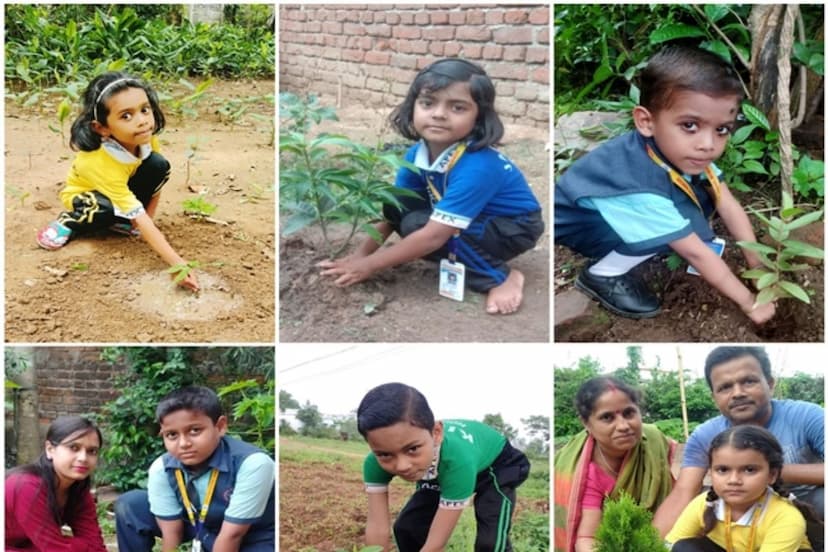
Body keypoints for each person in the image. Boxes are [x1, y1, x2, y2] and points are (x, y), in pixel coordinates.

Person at [555, 45, 774, 323]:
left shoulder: (679, 150)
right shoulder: (638, 188)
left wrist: (758, 265)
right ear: (646, 121)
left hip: (606, 210)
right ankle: (602, 273)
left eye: (722, 129)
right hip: (581, 225)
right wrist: (748, 302)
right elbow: (695, 252)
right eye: (690, 125)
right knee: (672, 232)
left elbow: (727, 202)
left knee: (684, 215)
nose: (708, 145)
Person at [318, 58, 544, 315]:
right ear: (412, 107)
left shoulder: (478, 165)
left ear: (479, 117)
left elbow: (434, 236)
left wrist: (368, 266)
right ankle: (477, 259)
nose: (438, 114)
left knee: (420, 227)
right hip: (475, 218)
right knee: (399, 204)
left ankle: (500, 276)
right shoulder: (417, 153)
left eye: (457, 108)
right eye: (428, 103)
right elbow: (394, 213)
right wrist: (361, 255)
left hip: (514, 227)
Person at [35, 71, 199, 292]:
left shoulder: (145, 139)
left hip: (121, 189)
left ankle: (121, 221)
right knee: (101, 207)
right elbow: (136, 213)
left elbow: (153, 188)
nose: (142, 121)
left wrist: (143, 224)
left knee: (158, 165)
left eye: (144, 109)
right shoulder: (98, 163)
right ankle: (68, 223)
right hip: (88, 196)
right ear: (101, 127)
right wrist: (177, 264)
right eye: (126, 116)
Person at [653, 346, 824, 537]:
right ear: (714, 397)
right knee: (702, 503)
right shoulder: (705, 434)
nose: (738, 393)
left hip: (806, 508)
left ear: (770, 383)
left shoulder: (807, 416)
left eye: (749, 381)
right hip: (740, 516)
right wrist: (650, 545)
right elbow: (683, 492)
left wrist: (769, 471)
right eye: (725, 387)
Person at [358, 382, 530, 551]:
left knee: (490, 544)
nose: (402, 466)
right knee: (408, 528)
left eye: (412, 449)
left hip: (496, 466)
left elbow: (435, 544)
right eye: (385, 455)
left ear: (436, 433)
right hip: (439, 466)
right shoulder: (375, 464)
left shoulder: (456, 462)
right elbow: (377, 526)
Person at [114, 386, 275, 551]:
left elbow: (232, 535)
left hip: (250, 536)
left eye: (195, 430)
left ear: (220, 427)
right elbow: (171, 532)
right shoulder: (161, 468)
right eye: (172, 435)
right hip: (200, 529)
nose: (183, 444)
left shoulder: (253, 463)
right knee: (131, 504)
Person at [554, 376, 676, 552]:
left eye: (629, 413)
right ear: (586, 423)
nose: (623, 426)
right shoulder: (588, 472)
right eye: (607, 418)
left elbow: (679, 495)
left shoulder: (654, 441)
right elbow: (587, 538)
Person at [666, 425, 822, 551]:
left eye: (749, 470)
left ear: (772, 475)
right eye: (723, 470)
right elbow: (668, 545)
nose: (734, 480)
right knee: (684, 547)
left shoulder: (786, 517)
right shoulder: (705, 504)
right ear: (710, 472)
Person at [5, 416, 107, 551]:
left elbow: (96, 545)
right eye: (74, 448)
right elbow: (55, 548)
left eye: (92, 451)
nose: (83, 458)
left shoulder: (78, 489)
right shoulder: (26, 486)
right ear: (50, 449)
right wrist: (80, 545)